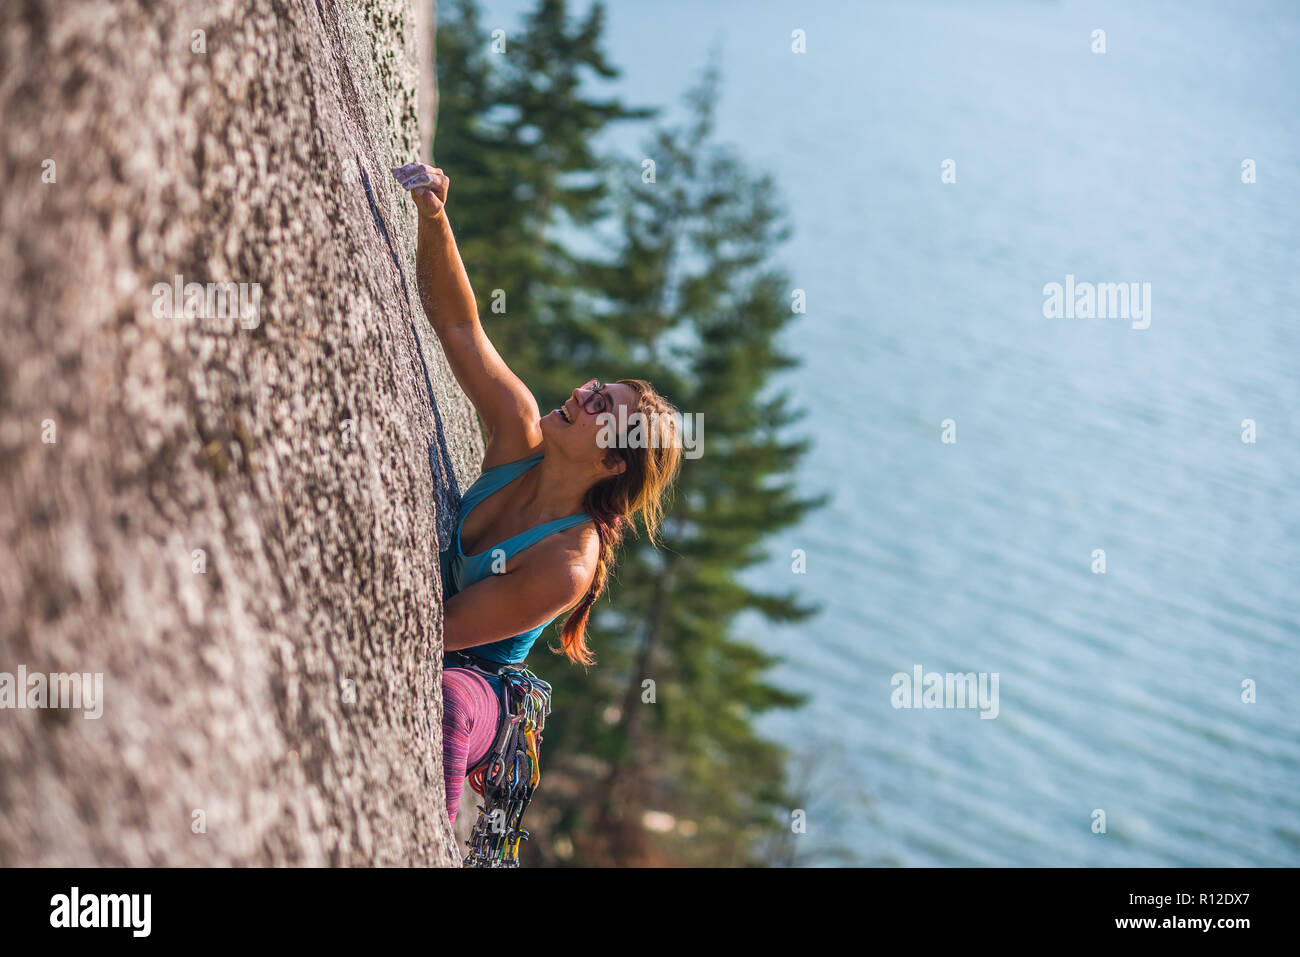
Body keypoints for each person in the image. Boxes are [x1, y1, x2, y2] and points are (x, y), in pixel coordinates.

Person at [393, 162, 684, 826]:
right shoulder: (518, 434)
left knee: (447, 701)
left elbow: (438, 633)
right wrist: (435, 215)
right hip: (453, 645)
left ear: (612, 459)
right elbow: (461, 329)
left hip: (481, 686)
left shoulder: (566, 563)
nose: (582, 389)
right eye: (597, 384)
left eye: (599, 402)